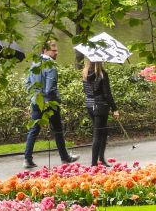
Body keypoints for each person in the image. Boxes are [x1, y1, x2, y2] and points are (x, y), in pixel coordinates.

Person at [23, 39, 78, 169]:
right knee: (58, 130)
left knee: (34, 130)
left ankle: (27, 159)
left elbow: (27, 85)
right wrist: (55, 100)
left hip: (36, 101)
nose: (56, 52)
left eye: (56, 50)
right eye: (53, 50)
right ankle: (65, 158)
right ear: (45, 50)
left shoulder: (35, 64)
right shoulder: (50, 66)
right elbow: (50, 89)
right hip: (50, 103)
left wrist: (35, 95)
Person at [81, 59, 119, 166]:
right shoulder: (102, 74)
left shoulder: (85, 73)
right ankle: (94, 164)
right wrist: (114, 109)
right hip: (100, 105)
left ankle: (101, 158)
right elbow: (107, 94)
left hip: (89, 104)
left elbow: (86, 91)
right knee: (98, 134)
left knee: (103, 131)